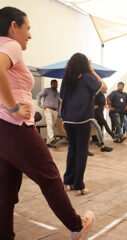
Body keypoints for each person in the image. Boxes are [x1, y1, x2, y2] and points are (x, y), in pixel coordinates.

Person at [0, 6, 94, 240]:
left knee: (5, 189)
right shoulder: (10, 45)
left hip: (2, 128)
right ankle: (75, 225)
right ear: (14, 26)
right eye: (28, 28)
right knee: (50, 176)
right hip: (15, 126)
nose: (30, 35)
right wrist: (13, 107)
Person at [61, 52, 107, 196]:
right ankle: (79, 186)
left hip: (68, 119)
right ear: (85, 65)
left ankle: (67, 182)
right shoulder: (87, 77)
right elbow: (104, 88)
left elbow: (62, 100)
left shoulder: (66, 79)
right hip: (82, 120)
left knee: (72, 150)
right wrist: (92, 71)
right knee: (81, 152)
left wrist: (63, 118)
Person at [36, 79, 61, 147]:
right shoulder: (47, 90)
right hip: (48, 109)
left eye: (56, 84)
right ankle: (52, 138)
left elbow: (59, 102)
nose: (55, 85)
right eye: (54, 83)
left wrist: (58, 109)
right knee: (49, 123)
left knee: (52, 126)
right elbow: (38, 96)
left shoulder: (58, 93)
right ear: (51, 84)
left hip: (55, 111)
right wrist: (41, 105)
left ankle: (48, 142)